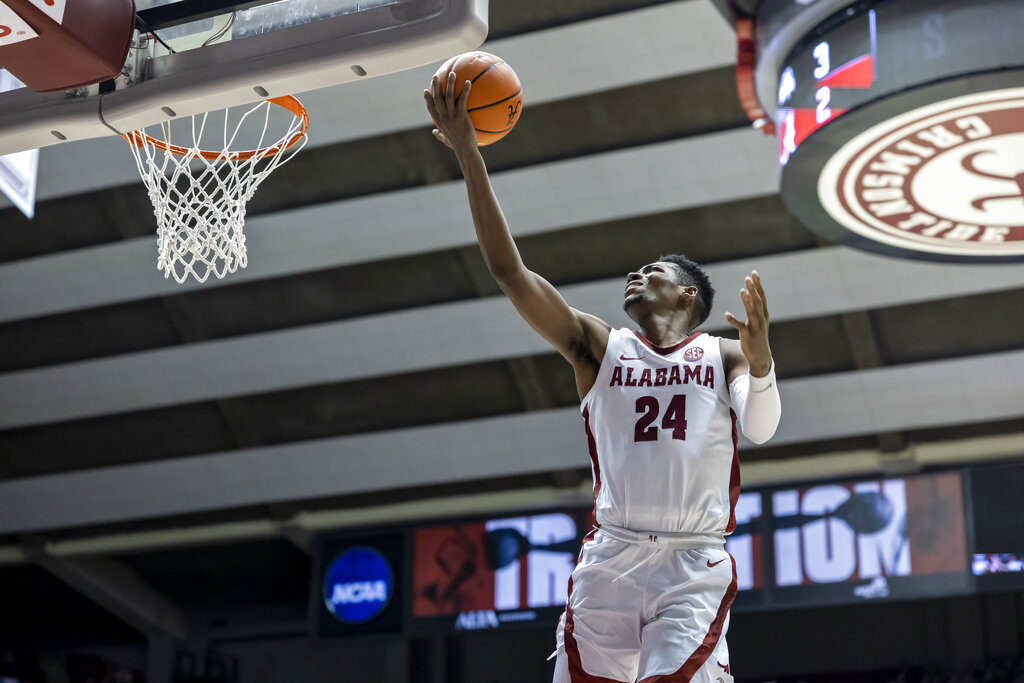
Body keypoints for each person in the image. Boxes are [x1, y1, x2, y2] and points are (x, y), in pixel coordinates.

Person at [425, 72, 781, 683]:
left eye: (653, 270)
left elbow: (762, 427)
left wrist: (764, 363)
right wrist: (468, 155)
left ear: (687, 293)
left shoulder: (725, 354)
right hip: (609, 559)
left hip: (690, 562)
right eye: (635, 272)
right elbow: (512, 275)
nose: (635, 275)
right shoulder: (599, 348)